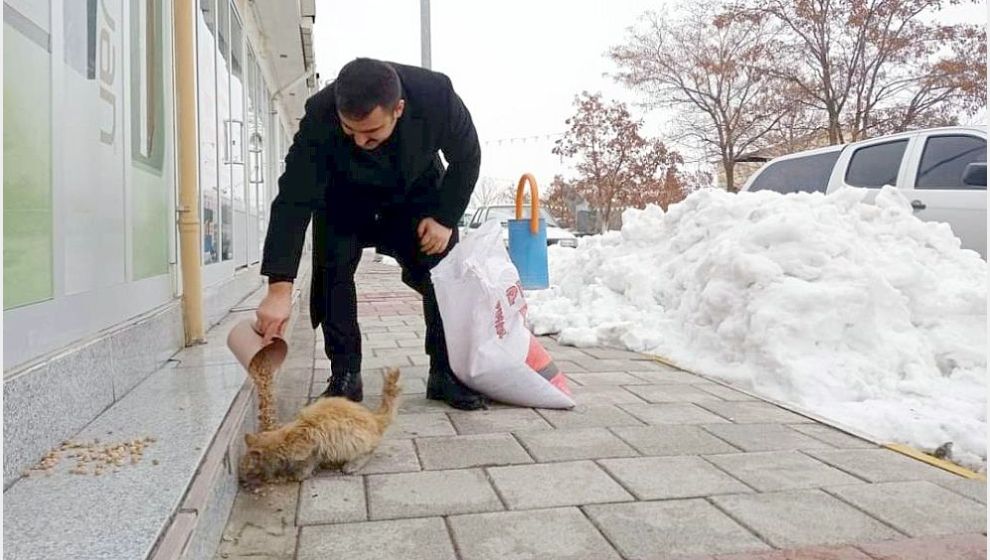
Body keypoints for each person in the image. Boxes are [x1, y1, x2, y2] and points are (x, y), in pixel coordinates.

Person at [256, 58, 488, 410]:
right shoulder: (320, 114)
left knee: (441, 274)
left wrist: (443, 218)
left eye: (371, 133)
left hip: (415, 195)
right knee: (331, 271)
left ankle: (445, 372)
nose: (361, 141)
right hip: (344, 200)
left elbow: (468, 157)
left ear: (399, 109)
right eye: (351, 132)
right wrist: (278, 288)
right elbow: (293, 199)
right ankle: (345, 375)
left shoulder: (436, 95)